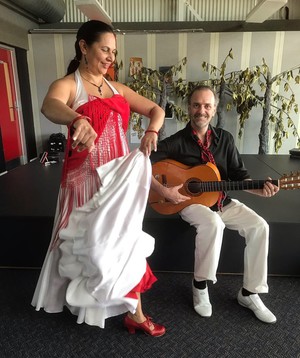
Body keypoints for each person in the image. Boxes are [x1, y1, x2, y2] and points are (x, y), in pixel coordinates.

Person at [31, 20, 166, 337]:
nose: (110, 58)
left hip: (117, 180)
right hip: (84, 179)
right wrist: (77, 117)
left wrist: (151, 131)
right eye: (105, 49)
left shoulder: (117, 88)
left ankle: (135, 313)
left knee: (123, 243)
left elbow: (156, 110)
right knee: (87, 246)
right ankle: (79, 301)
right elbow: (49, 105)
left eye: (113, 52)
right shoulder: (69, 85)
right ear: (83, 46)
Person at [150, 85, 280, 324]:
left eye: (207, 106)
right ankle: (200, 286)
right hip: (190, 203)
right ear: (189, 108)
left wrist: (260, 190)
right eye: (197, 105)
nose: (202, 110)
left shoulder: (225, 140)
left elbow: (240, 177)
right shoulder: (177, 142)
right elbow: (144, 161)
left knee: (260, 226)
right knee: (213, 223)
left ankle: (249, 293)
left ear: (214, 109)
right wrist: (163, 189)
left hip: (222, 200)